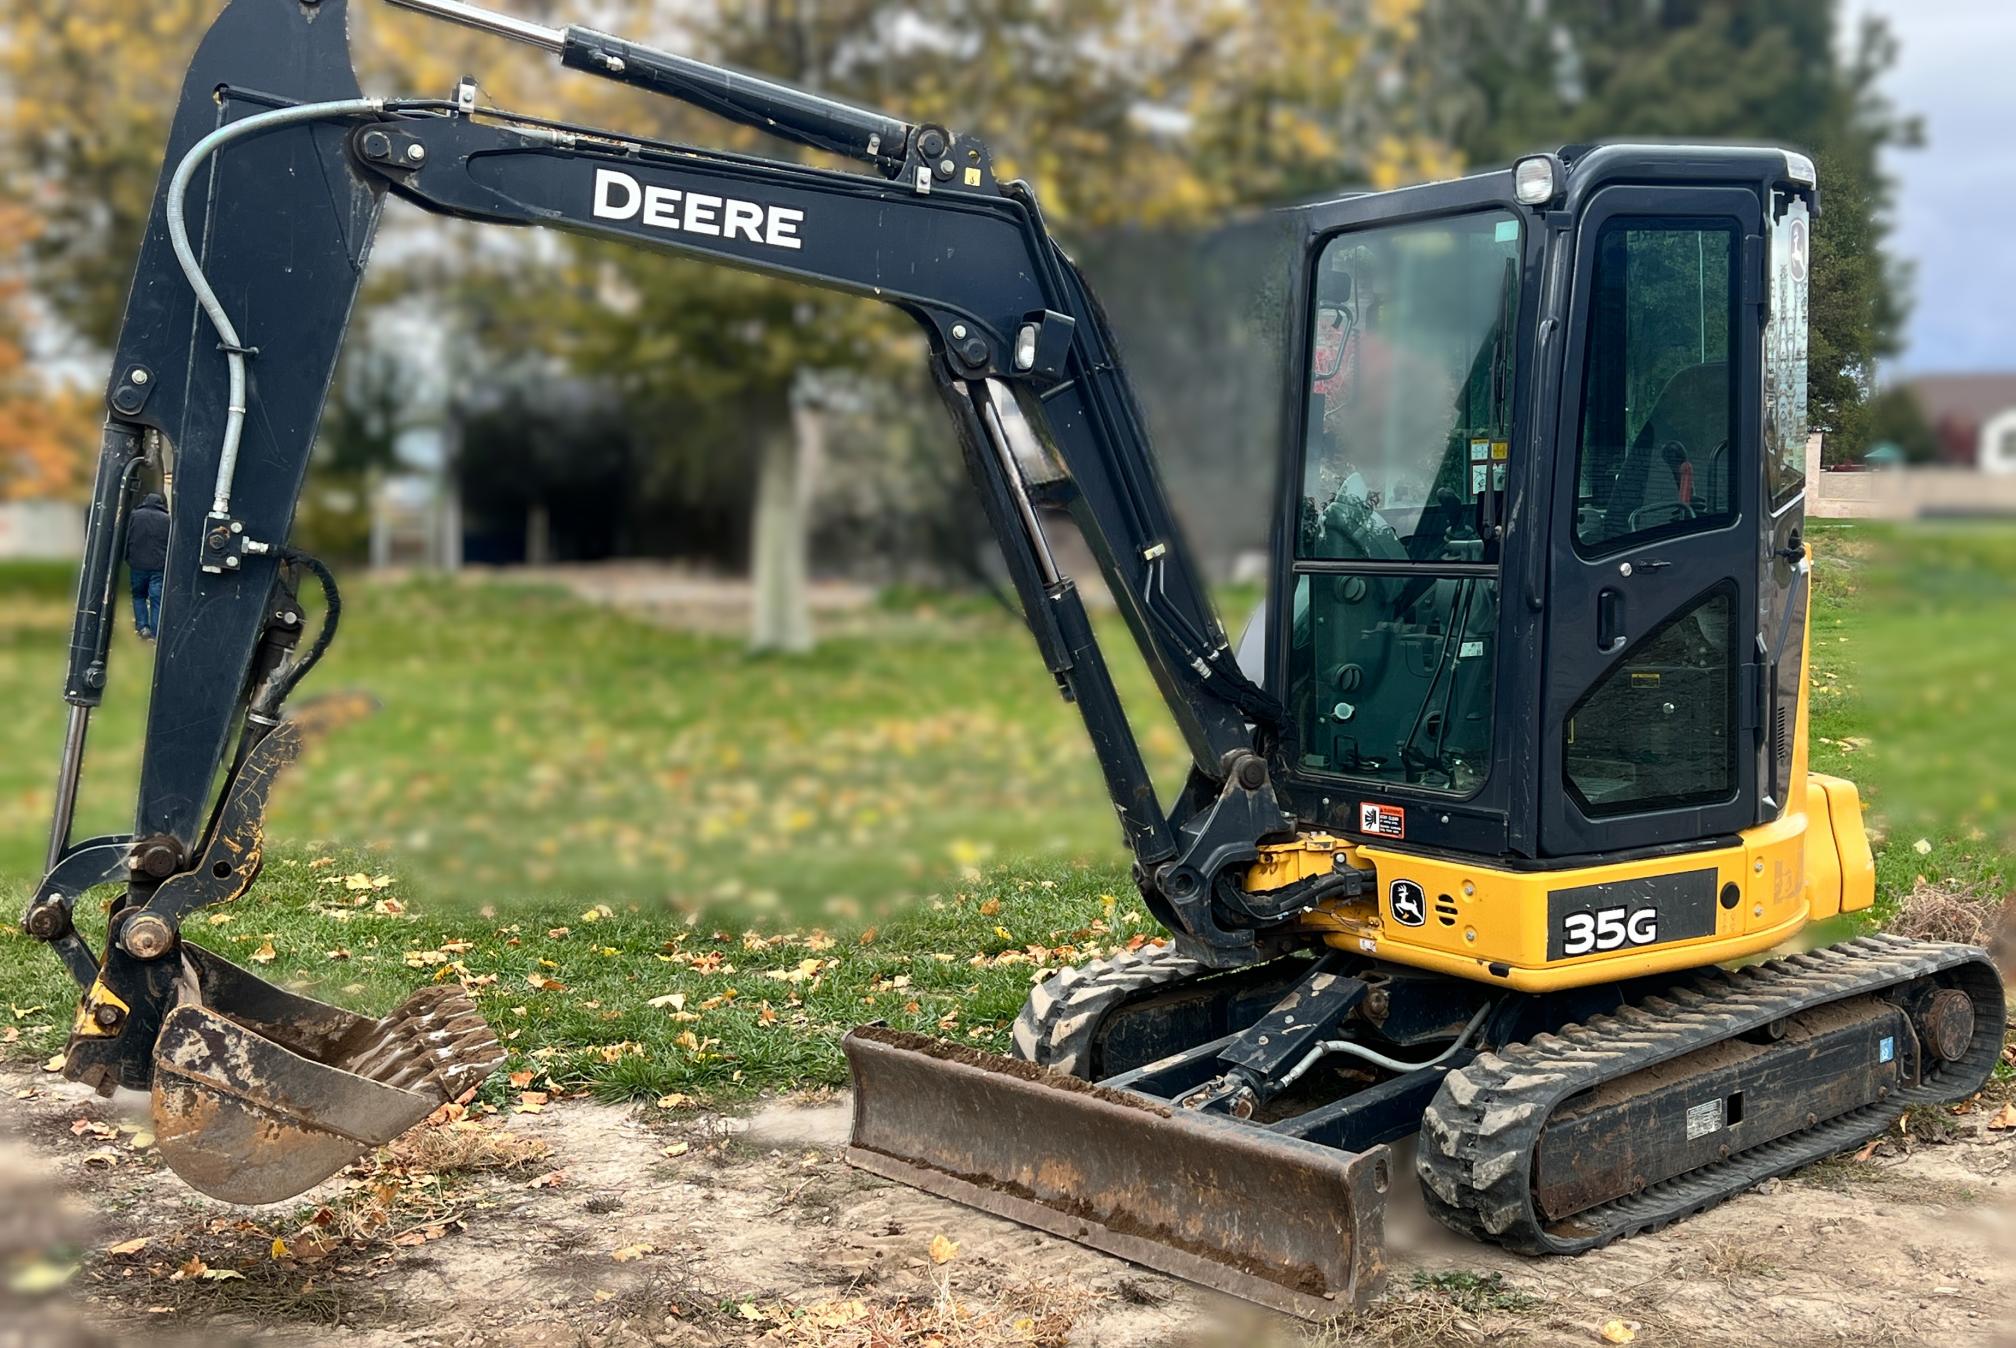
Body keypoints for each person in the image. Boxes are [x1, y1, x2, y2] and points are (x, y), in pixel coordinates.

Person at [126, 491, 169, 639]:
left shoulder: (135, 516)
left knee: (139, 595)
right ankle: (156, 632)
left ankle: (143, 627)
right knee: (156, 598)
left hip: (137, 564)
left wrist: (128, 557)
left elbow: (128, 536)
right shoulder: (167, 520)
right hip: (158, 566)